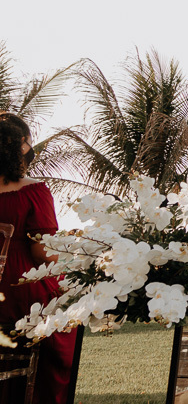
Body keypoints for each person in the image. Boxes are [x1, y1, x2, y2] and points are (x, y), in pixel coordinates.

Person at [0, 113, 76, 404]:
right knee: (62, 327)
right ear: (22, 146)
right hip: (16, 291)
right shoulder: (34, 192)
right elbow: (43, 253)